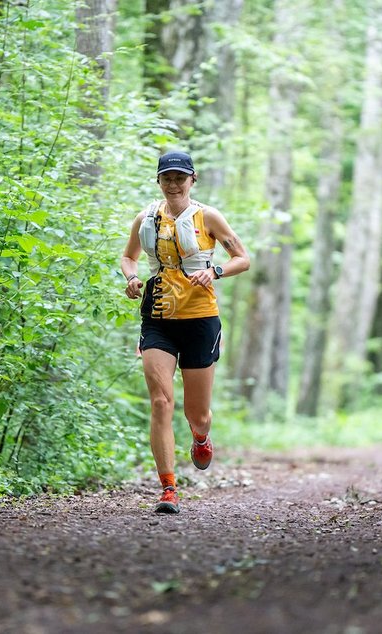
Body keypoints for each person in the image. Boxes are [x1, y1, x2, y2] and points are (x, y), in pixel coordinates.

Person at [120, 151, 250, 514]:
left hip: (200, 318)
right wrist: (131, 278)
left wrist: (217, 272)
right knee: (161, 402)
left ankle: (201, 436)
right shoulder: (145, 218)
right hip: (158, 318)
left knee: (198, 413)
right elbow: (128, 256)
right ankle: (168, 489)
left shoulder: (207, 217)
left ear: (193, 180)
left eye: (180, 177)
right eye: (167, 178)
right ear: (158, 181)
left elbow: (243, 258)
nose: (173, 184)